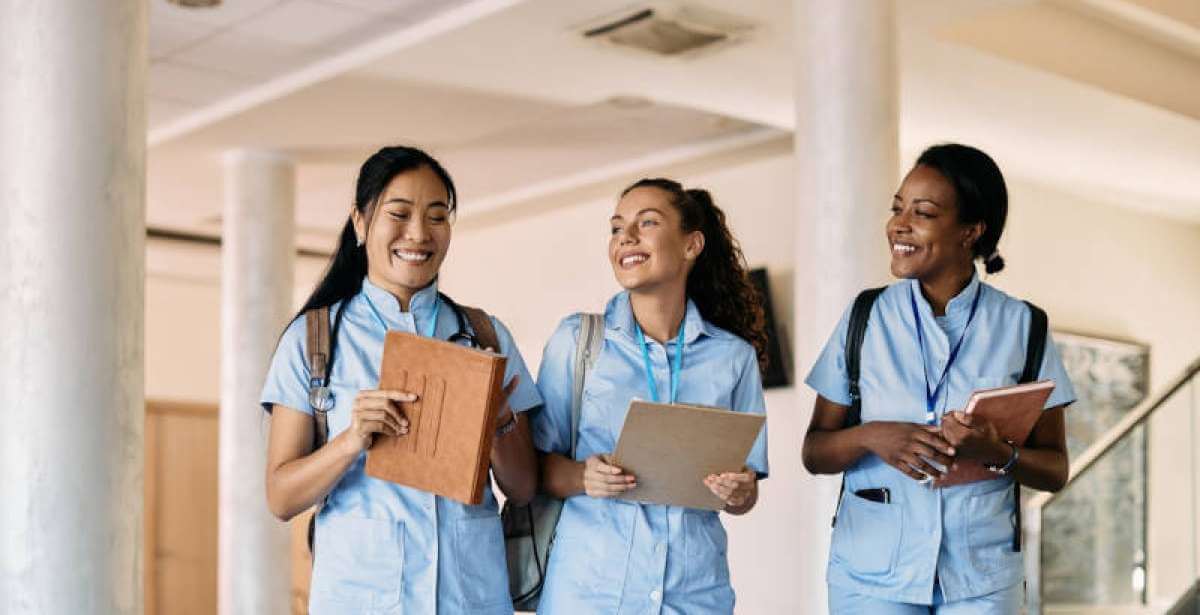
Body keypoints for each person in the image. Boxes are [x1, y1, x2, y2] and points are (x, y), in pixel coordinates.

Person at [261, 145, 541, 614]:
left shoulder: (485, 335)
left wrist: (500, 424)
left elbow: (524, 488)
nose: (419, 233)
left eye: (437, 216)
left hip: (468, 596)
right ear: (360, 222)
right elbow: (281, 496)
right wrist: (350, 441)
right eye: (400, 213)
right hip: (363, 597)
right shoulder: (314, 341)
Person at [802, 143, 1075, 613]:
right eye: (897, 208)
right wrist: (872, 437)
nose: (899, 225)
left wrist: (995, 453)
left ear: (971, 231)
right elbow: (814, 452)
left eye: (923, 212)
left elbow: (1054, 469)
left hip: (980, 579)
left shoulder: (1024, 327)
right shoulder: (865, 316)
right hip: (872, 576)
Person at [532, 178, 770, 614]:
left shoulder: (733, 358)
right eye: (617, 227)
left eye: (647, 223)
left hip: (694, 594)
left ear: (691, 245)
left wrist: (738, 492)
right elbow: (533, 469)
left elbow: (746, 492)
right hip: (590, 593)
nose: (627, 237)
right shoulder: (579, 342)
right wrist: (585, 478)